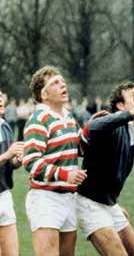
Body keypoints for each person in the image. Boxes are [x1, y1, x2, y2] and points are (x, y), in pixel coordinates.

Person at [22, 66, 87, 256]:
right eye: (55, 83)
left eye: (62, 81)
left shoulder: (68, 118)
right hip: (45, 199)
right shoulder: (39, 119)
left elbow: (78, 149)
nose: (62, 84)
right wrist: (66, 174)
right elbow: (31, 162)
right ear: (44, 94)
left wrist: (96, 130)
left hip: (69, 198)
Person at [77, 82, 134, 256]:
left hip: (110, 203)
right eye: (133, 96)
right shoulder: (110, 125)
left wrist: (114, 201)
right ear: (121, 106)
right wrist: (130, 114)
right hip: (90, 203)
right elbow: (94, 126)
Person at [0, 92, 24, 256]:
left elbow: (9, 165)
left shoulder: (5, 126)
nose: (1, 99)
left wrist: (17, 160)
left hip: (4, 195)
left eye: (1, 97)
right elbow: (5, 157)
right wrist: (7, 155)